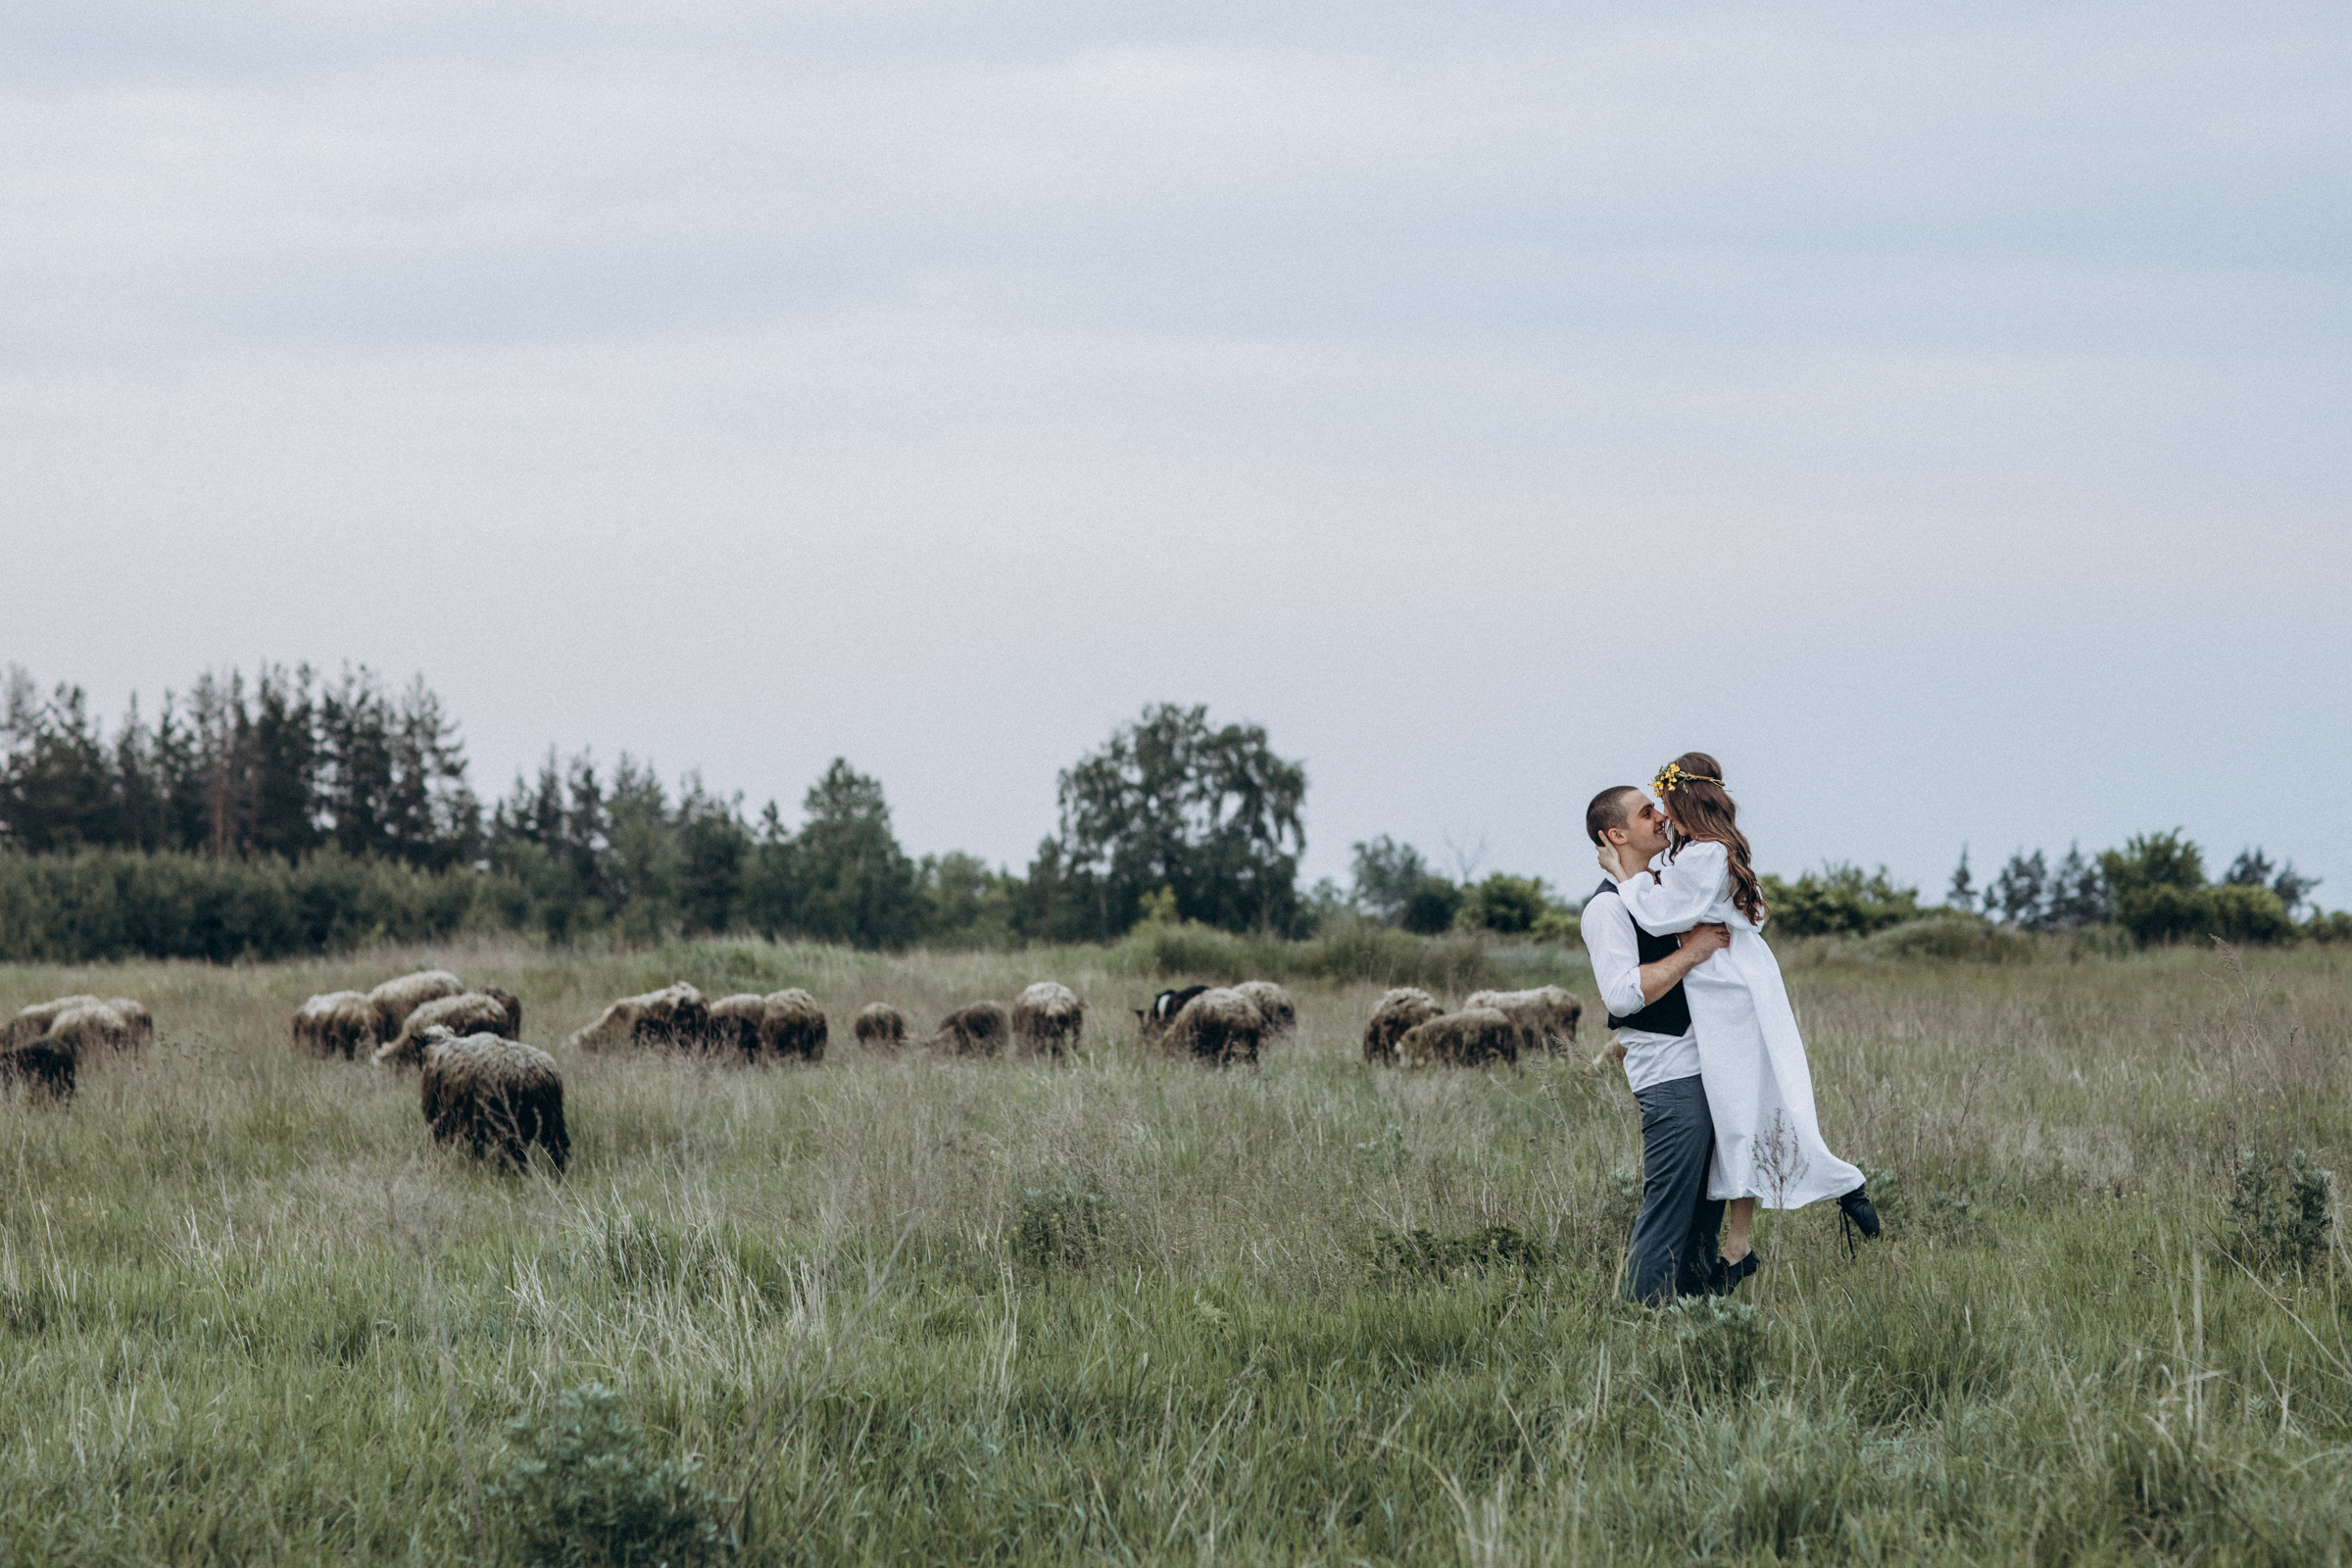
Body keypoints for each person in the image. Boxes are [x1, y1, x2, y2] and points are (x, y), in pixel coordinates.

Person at [1596, 754, 1880, 1281]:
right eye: (1646, 812)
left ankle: (1791, 1212)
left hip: (1726, 991)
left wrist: (1622, 874)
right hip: (1726, 988)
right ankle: (1736, 1250)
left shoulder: (1703, 855)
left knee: (1741, 1113)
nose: (1659, 815)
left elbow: (1665, 913)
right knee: (1743, 1112)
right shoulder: (1699, 855)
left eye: (1662, 804)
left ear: (1684, 802)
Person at [1584, 785, 1737, 1301]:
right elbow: (1624, 996)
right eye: (1647, 812)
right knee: (1670, 1207)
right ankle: (1642, 1321)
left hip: (1709, 1067)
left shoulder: (1671, 888)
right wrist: (1692, 953)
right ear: (1616, 835)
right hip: (1669, 1073)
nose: (1662, 816)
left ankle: (1694, 1317)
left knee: (1705, 1207)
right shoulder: (1605, 910)